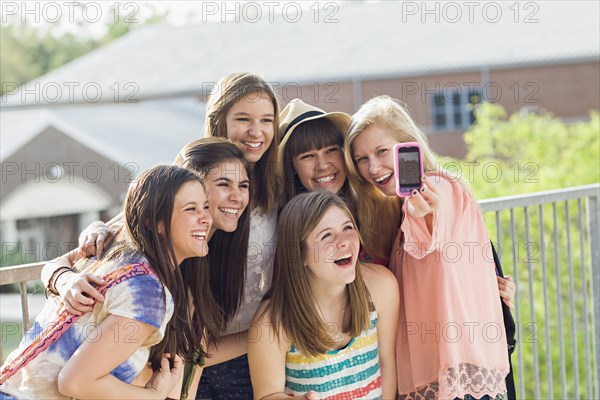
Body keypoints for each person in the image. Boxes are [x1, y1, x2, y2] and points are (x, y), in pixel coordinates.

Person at [344, 95, 510, 399]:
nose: (373, 167)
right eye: (362, 159)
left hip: (454, 378)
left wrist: (425, 213)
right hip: (427, 375)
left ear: (409, 145)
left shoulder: (441, 188)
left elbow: (433, 221)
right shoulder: (395, 210)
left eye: (382, 151)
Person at [0, 165, 213, 399]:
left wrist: (62, 276)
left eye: (205, 207)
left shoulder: (115, 254)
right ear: (154, 222)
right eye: (191, 209)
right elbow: (76, 383)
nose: (206, 218)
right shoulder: (148, 291)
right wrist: (154, 394)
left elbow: (60, 262)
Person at [248, 191, 399, 399]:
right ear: (299, 255)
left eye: (348, 228)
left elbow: (387, 364)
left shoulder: (381, 287)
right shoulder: (271, 323)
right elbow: (266, 395)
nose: (344, 241)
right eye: (327, 235)